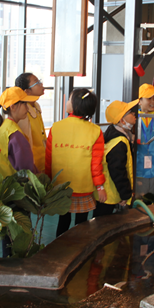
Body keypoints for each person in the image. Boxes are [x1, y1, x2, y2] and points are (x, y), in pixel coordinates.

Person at [46, 88, 105, 237]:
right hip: (83, 187)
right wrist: (100, 187)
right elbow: (96, 164)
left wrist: (47, 183)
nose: (66, 102)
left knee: (63, 222)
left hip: (60, 186)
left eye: (69, 99)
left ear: (76, 105)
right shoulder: (95, 131)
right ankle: (80, 250)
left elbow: (49, 160)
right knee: (82, 225)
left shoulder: (56, 127)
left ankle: (60, 249)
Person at [94, 99, 138, 218]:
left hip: (109, 191)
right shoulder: (119, 142)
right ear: (122, 120)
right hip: (110, 193)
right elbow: (118, 170)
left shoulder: (114, 134)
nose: (134, 114)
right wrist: (125, 194)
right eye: (130, 112)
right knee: (103, 223)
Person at [0, 86, 38, 178]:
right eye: (25, 104)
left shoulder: (4, 128)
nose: (28, 108)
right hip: (14, 185)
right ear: (13, 107)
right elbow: (26, 170)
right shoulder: (15, 134)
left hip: (2, 184)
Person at [15, 73, 47, 173]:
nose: (41, 84)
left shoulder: (36, 105)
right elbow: (25, 144)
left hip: (42, 163)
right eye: (37, 82)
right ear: (27, 91)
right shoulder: (23, 112)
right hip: (32, 167)